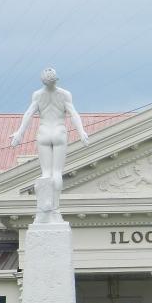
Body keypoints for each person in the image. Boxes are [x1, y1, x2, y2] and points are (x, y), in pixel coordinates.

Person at [10, 67, 90, 221]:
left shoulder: (38, 95)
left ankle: (44, 204)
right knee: (57, 172)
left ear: (43, 81)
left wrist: (19, 133)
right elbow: (73, 114)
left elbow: (28, 114)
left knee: (45, 173)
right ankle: (55, 207)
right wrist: (82, 132)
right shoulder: (65, 95)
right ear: (56, 79)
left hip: (44, 132)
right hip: (59, 132)